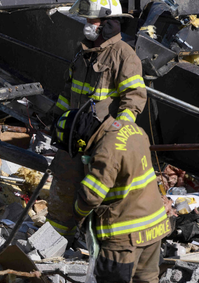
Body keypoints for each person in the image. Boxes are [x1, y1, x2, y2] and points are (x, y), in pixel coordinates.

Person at [46, 0, 147, 238]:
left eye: (92, 21)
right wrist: (55, 118)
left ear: (109, 24)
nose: (88, 26)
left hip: (101, 144)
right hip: (74, 138)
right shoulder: (84, 53)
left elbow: (133, 98)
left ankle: (89, 245)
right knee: (63, 185)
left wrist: (117, 136)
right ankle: (53, 241)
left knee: (96, 195)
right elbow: (69, 91)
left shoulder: (124, 55)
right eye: (88, 20)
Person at [54, 103, 169, 283]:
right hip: (153, 227)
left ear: (81, 140)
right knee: (147, 279)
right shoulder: (132, 129)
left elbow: (91, 195)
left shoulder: (105, 151)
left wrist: (78, 215)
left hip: (124, 237)